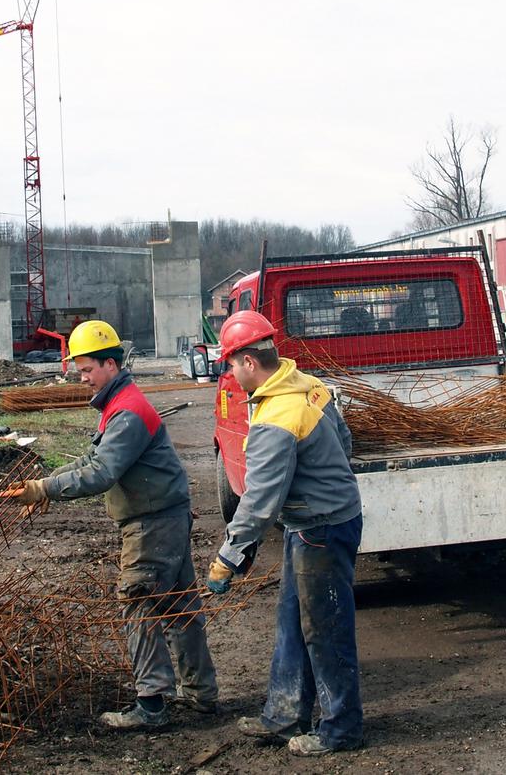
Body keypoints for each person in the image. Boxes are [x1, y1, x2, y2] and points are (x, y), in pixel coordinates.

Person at [0, 319, 218, 729]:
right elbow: (90, 461)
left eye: (86, 370)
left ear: (110, 366)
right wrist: (43, 488)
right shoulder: (119, 405)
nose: (82, 378)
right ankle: (201, 694)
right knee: (178, 607)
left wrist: (43, 487)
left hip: (152, 524)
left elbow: (101, 473)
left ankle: (152, 704)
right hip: (164, 517)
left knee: (138, 603)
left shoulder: (128, 413)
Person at [206, 309, 364, 757]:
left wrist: (228, 557)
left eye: (231, 366)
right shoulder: (309, 385)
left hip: (322, 529)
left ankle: (342, 730)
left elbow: (259, 501)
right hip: (319, 521)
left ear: (249, 362)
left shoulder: (278, 415)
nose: (231, 377)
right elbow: (345, 441)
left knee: (326, 629)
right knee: (294, 620)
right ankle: (285, 713)